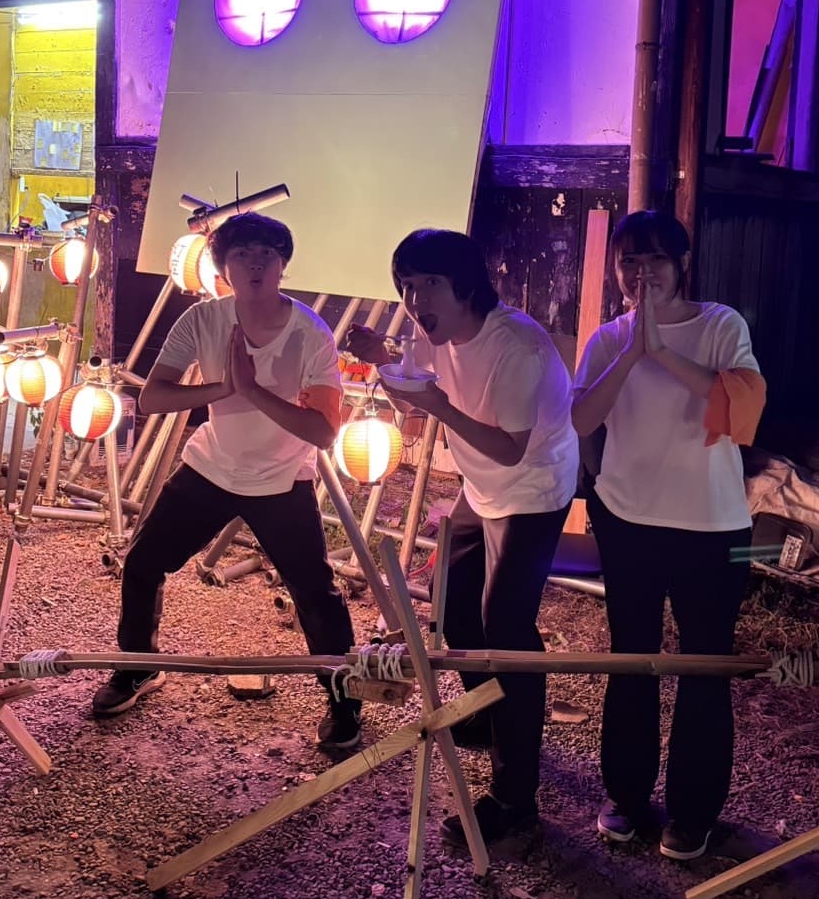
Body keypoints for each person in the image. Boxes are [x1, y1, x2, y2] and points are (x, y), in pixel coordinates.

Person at [92, 212, 362, 753]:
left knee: (315, 592)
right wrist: (226, 388)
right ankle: (138, 667)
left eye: (267, 253)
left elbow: (324, 432)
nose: (255, 263)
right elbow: (153, 397)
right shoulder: (204, 319)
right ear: (224, 268)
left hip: (282, 476)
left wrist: (254, 390)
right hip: (212, 466)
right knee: (143, 562)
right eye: (242, 254)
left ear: (283, 265)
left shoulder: (311, 332)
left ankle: (344, 701)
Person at [348, 228, 578, 848]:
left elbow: (508, 449)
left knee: (507, 630)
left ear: (467, 285)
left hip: (533, 489)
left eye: (430, 283)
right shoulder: (433, 330)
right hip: (481, 488)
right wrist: (382, 360)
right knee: (452, 606)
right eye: (407, 284)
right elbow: (414, 395)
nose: (416, 298)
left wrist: (440, 406)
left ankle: (515, 797)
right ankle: (485, 715)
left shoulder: (517, 347)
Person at [571, 210, 766, 861]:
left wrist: (660, 350)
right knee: (633, 659)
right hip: (628, 521)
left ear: (682, 264)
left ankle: (693, 810)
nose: (641, 272)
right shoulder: (607, 339)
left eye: (655, 258)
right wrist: (633, 350)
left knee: (704, 666)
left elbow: (741, 410)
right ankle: (626, 795)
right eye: (628, 260)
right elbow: (582, 420)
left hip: (712, 526)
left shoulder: (720, 325)